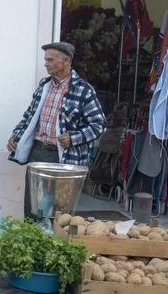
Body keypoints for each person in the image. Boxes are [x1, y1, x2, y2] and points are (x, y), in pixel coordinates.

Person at [7, 41, 107, 218]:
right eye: (46, 59)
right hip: (37, 152)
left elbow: (99, 125)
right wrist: (17, 134)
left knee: (58, 210)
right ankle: (32, 240)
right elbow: (30, 115)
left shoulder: (83, 90)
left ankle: (54, 242)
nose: (46, 63)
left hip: (63, 158)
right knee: (32, 208)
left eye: (50, 60)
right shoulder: (44, 86)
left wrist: (73, 138)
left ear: (66, 60)